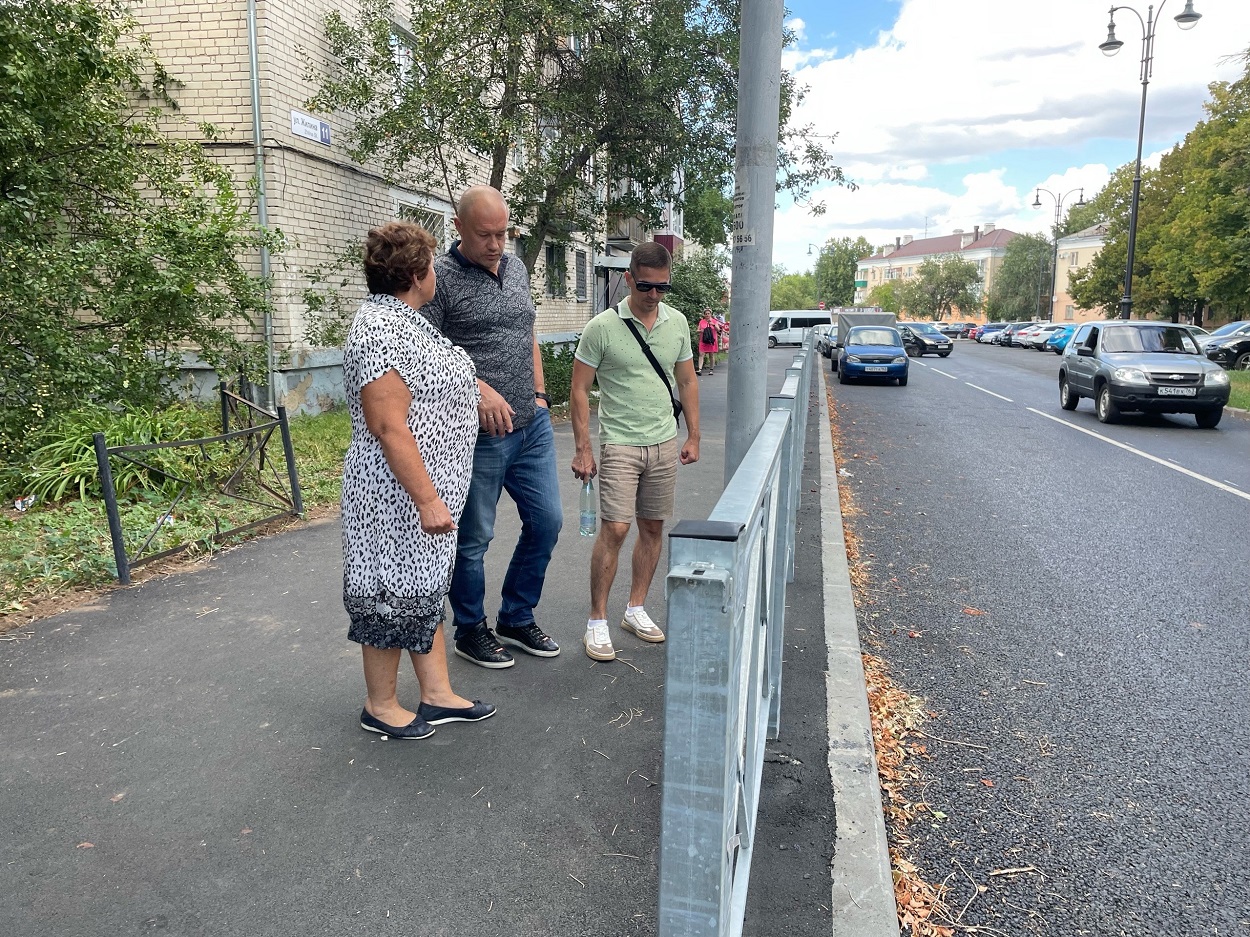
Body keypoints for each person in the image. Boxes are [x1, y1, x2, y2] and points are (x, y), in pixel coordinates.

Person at [341, 221, 494, 740]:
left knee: (421, 591)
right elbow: (387, 424)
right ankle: (380, 706)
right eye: (431, 265)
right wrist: (427, 497)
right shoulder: (378, 329)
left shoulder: (406, 322)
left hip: (422, 491)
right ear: (416, 273)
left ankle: (437, 694)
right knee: (388, 593)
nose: (437, 275)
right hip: (394, 495)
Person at [420, 186, 563, 669]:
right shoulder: (438, 278)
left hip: (532, 426)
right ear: (457, 228)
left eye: (504, 233)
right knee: (474, 538)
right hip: (476, 436)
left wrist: (541, 396)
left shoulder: (517, 267)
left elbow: (528, 333)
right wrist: (476, 388)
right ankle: (470, 629)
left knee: (547, 523)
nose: (497, 243)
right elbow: (423, 354)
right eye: (486, 234)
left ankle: (516, 617)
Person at [569, 241, 700, 661]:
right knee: (616, 529)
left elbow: (688, 381)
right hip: (620, 443)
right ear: (629, 279)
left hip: (663, 442)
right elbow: (578, 391)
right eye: (647, 286)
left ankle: (636, 608)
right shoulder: (602, 327)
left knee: (652, 528)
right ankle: (596, 620)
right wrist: (583, 449)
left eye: (663, 288)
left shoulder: (677, 323)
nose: (655, 295)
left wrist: (693, 435)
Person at [696, 309, 720, 375]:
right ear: (704, 315)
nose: (707, 315)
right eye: (706, 314)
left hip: (711, 340)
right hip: (703, 340)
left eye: (708, 313)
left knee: (711, 355)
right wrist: (701, 331)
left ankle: (711, 369)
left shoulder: (714, 321)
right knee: (701, 354)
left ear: (711, 314)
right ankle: (699, 369)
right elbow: (697, 330)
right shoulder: (701, 322)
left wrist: (713, 324)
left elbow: (718, 330)